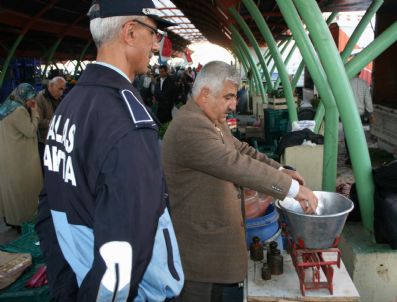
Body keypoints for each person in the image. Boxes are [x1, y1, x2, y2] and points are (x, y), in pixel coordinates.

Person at [35, 1, 183, 301]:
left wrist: (66, 288)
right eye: (155, 34)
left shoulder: (70, 105)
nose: (157, 45)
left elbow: (48, 207)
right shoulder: (127, 121)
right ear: (130, 32)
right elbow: (123, 249)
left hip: (79, 282)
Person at [162, 61, 318, 302]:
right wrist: (292, 190)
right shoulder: (189, 127)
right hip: (199, 256)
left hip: (215, 248)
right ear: (205, 94)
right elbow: (236, 165)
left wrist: (280, 168)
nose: (234, 105)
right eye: (229, 97)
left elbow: (243, 151)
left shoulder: (211, 120)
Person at [0, 83, 42, 230]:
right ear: (24, 96)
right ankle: (20, 220)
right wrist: (35, 113)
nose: (33, 101)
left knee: (11, 189)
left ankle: (10, 218)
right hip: (19, 157)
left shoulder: (6, 107)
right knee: (22, 189)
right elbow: (30, 130)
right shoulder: (18, 111)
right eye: (31, 98)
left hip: (8, 153)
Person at [35, 76, 67, 173]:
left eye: (63, 89)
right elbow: (38, 122)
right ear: (51, 86)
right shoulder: (40, 98)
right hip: (45, 141)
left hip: (58, 140)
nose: (62, 92)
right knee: (47, 169)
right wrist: (56, 122)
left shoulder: (60, 98)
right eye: (60, 89)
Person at [345, 72, 374, 165]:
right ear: (360, 72)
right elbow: (368, 102)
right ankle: (358, 158)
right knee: (358, 136)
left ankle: (350, 158)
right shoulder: (364, 83)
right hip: (360, 115)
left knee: (348, 137)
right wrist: (370, 113)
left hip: (348, 114)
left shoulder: (345, 82)